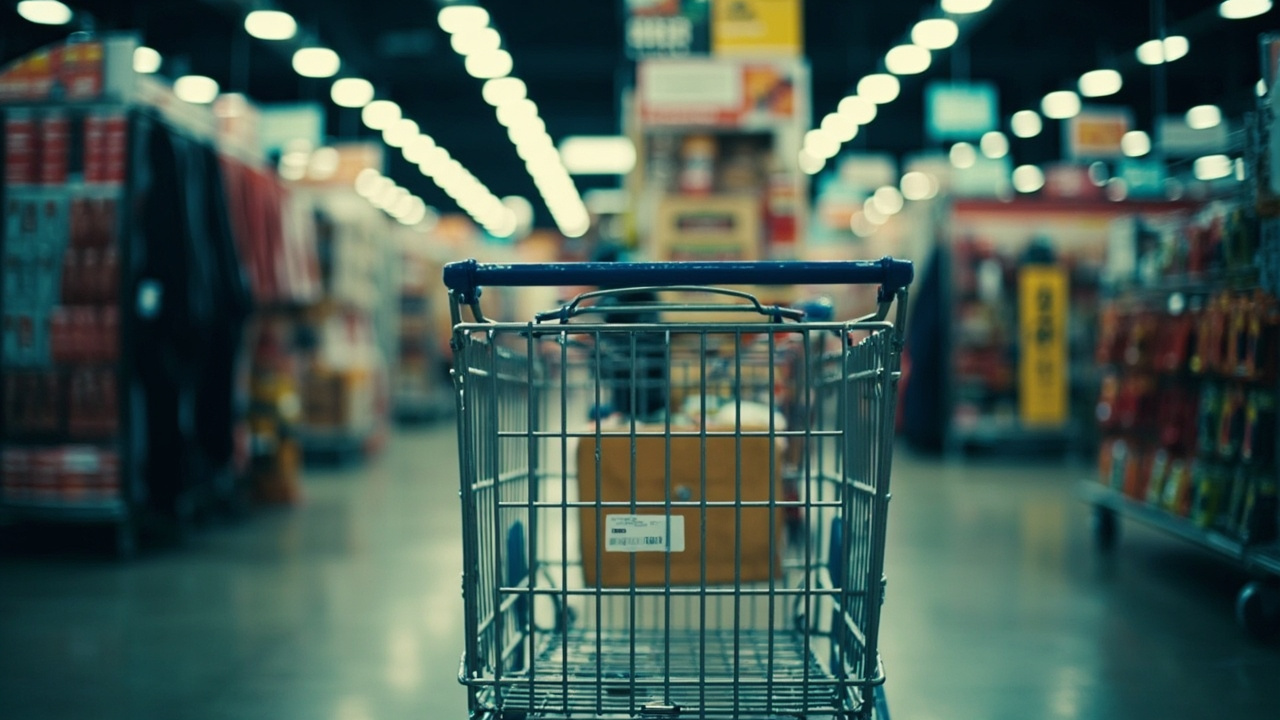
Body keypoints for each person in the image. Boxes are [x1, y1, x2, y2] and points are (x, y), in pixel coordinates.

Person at [592, 244, 667, 421]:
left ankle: (628, 417)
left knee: (618, 411)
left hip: (628, 374)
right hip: (652, 374)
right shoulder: (642, 286)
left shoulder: (613, 294)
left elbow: (609, 324)